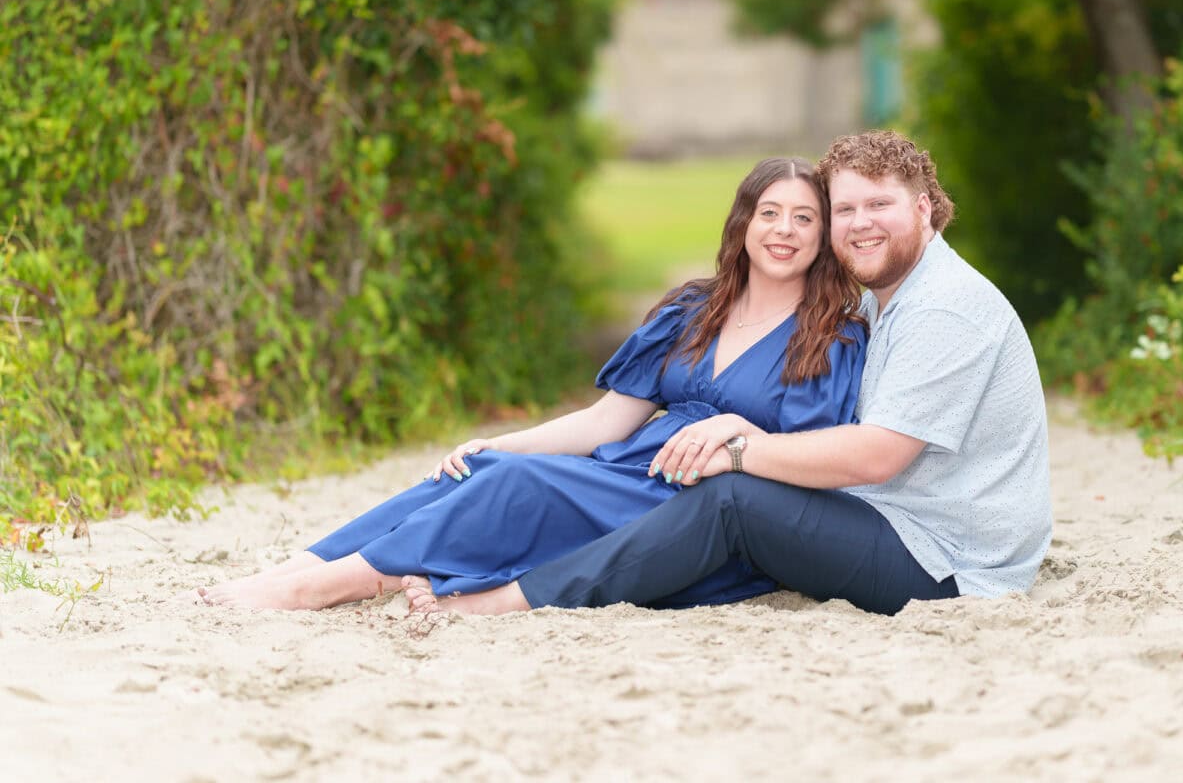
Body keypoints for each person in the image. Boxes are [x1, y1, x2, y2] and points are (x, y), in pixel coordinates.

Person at [404, 130, 1052, 618]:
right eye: (846, 210)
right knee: (711, 494)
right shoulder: (901, 296)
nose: (859, 224)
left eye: (878, 205)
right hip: (909, 527)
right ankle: (470, 569)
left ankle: (508, 602)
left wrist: (741, 447)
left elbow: (878, 454)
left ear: (927, 210)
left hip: (947, 563)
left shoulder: (944, 306)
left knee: (730, 497)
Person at [188, 157, 866, 610]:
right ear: (742, 223)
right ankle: (289, 570)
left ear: (823, 237)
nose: (784, 231)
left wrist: (741, 432)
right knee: (479, 469)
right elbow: (605, 423)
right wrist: (499, 440)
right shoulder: (693, 309)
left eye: (804, 218)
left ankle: (318, 591)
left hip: (693, 505)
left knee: (517, 485)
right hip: (625, 470)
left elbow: (804, 460)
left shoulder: (830, 337)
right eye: (769, 213)